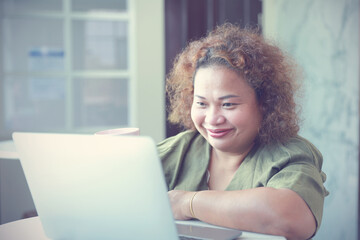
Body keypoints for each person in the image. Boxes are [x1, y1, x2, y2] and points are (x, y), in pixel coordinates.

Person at [157, 23, 328, 240]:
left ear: (265, 103)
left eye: (228, 105)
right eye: (201, 103)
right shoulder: (179, 148)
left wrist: (187, 203)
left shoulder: (290, 155)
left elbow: (292, 219)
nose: (212, 119)